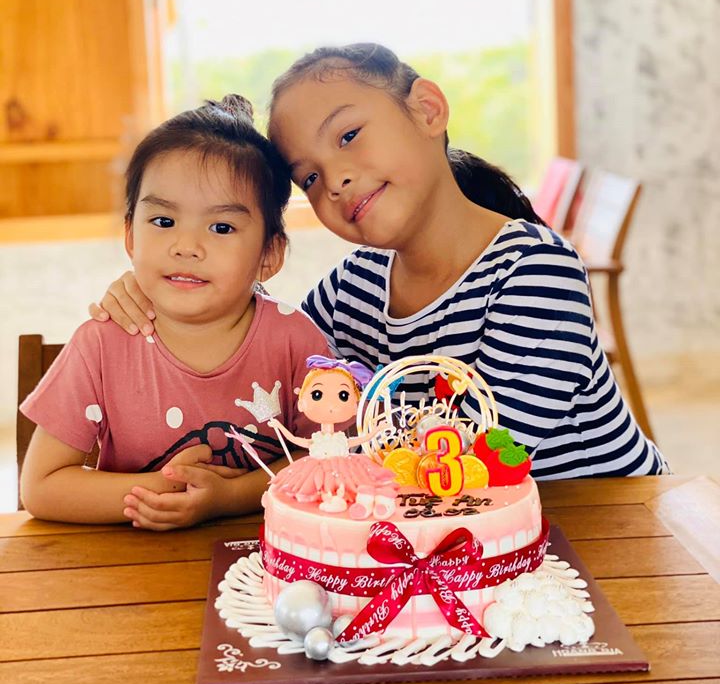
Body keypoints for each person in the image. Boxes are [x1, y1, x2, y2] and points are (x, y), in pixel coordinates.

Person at [89, 44, 668, 479]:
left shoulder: (535, 271)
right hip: (460, 551)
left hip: (612, 536)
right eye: (308, 177)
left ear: (427, 110)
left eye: (348, 136)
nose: (334, 179)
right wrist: (165, 291)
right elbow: (255, 339)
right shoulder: (353, 288)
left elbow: (486, 457)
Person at [20, 95, 329, 529]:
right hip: (130, 564)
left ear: (269, 255)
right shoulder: (101, 343)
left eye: (221, 227)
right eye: (163, 221)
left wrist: (232, 496)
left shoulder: (294, 339)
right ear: (130, 237)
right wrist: (165, 488)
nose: (186, 246)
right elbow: (42, 487)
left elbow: (332, 457)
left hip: (265, 560)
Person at [266, 354, 397, 518]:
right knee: (311, 484)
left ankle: (349, 498)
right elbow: (294, 439)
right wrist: (279, 426)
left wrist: (376, 430)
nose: (331, 405)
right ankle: (325, 496)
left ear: (355, 405)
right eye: (317, 395)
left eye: (343, 396)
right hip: (314, 469)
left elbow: (361, 439)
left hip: (346, 467)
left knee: (357, 482)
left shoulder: (341, 439)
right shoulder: (317, 439)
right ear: (301, 402)